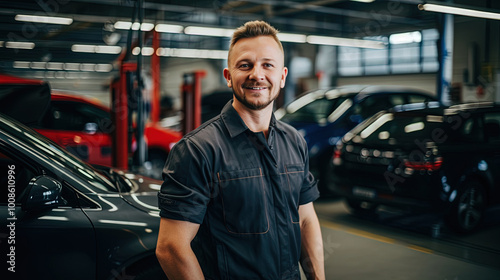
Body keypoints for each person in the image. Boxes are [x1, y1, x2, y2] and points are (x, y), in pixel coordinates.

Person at [156, 20, 325, 280]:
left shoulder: (294, 141)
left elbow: (305, 219)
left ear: (282, 76)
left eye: (267, 64)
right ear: (228, 76)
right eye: (245, 65)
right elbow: (171, 248)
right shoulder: (198, 150)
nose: (257, 74)